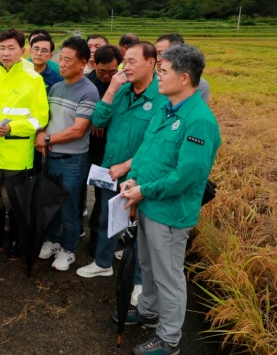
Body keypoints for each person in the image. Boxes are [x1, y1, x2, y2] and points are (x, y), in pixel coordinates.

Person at [119, 44, 221, 355]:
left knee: (169, 276)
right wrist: (134, 176)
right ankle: (148, 310)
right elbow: (148, 149)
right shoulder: (167, 107)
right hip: (149, 202)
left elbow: (186, 176)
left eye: (163, 71)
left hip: (170, 212)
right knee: (148, 265)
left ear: (185, 77)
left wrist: (144, 190)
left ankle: (169, 338)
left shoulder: (199, 121)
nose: (158, 77)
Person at [77, 42, 166, 284]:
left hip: (141, 174)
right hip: (111, 170)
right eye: (125, 62)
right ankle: (103, 263)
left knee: (140, 229)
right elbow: (99, 119)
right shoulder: (122, 90)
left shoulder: (162, 97)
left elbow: (160, 145)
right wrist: (112, 88)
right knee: (109, 218)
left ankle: (139, 282)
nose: (126, 67)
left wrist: (128, 166)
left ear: (151, 62)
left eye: (132, 62)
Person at [0, 28, 48, 258]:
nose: (5, 53)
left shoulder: (33, 79)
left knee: (16, 201)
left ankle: (16, 241)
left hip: (16, 153)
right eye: (1, 48)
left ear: (22, 51)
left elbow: (40, 117)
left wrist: (13, 127)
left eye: (11, 48)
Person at [36, 37, 99, 271]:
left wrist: (48, 138)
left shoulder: (88, 91)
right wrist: (42, 134)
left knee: (69, 205)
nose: (61, 64)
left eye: (67, 60)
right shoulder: (56, 87)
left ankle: (68, 249)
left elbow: (79, 129)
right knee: (50, 202)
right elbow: (48, 119)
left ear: (82, 63)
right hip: (51, 157)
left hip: (73, 160)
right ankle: (52, 241)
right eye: (60, 59)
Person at [83, 44, 123, 254]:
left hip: (108, 153)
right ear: (94, 64)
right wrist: (93, 122)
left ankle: (98, 241)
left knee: (103, 197)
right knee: (78, 192)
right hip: (86, 149)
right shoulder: (87, 83)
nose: (107, 76)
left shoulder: (124, 85)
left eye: (112, 71)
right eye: (102, 71)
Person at [155, 33, 210, 103]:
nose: (156, 59)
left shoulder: (199, 85)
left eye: (161, 53)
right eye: (155, 53)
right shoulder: (150, 80)